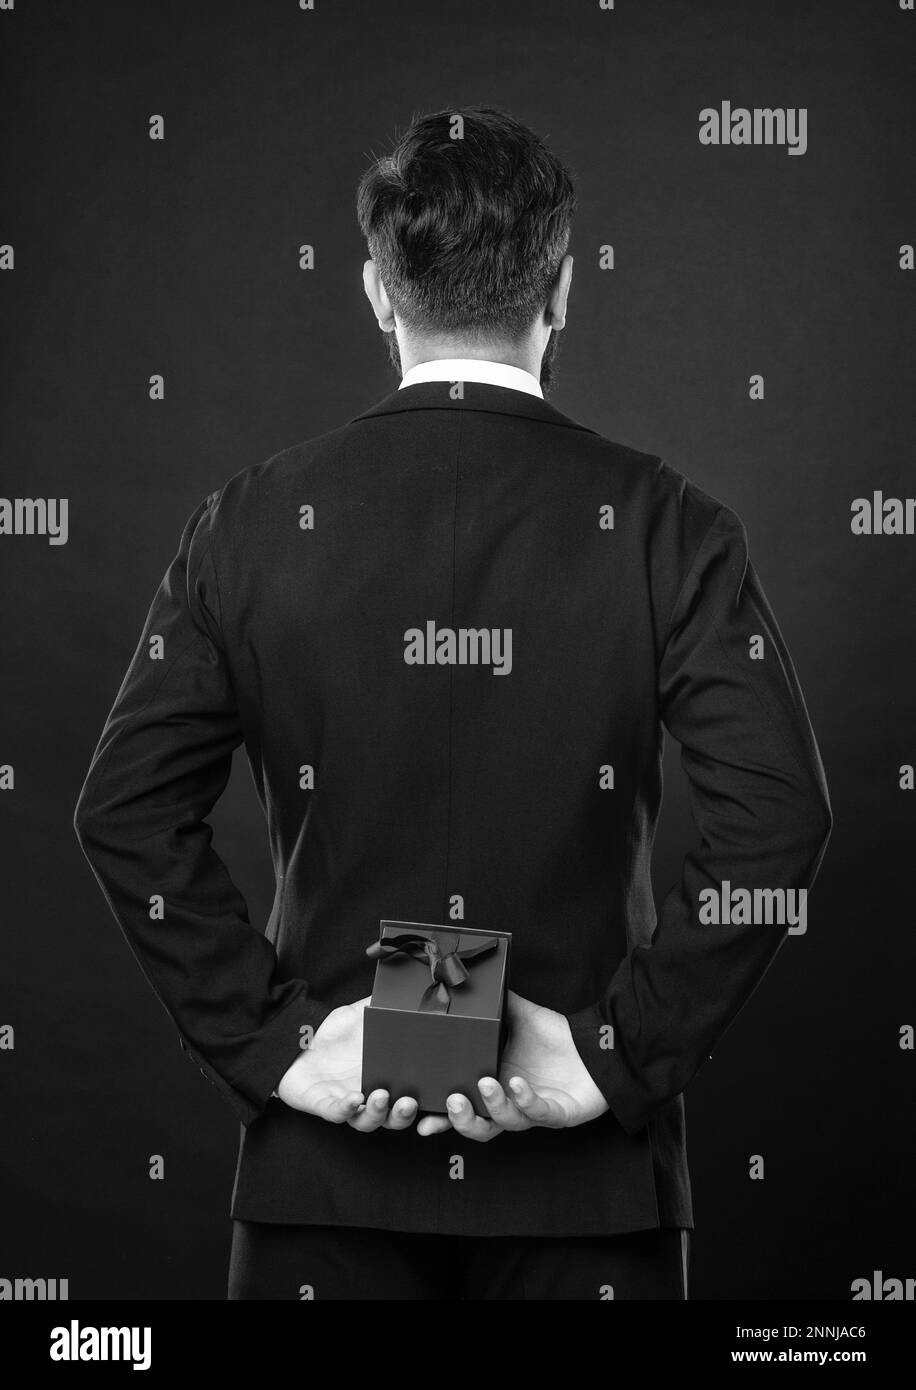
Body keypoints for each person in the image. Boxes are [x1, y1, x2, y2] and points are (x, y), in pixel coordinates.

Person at [73, 105, 832, 1301]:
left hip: (322, 1185)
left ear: (378, 292)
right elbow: (780, 822)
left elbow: (120, 812)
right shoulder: (667, 524)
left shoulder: (249, 525)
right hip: (591, 1197)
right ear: (564, 288)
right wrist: (612, 1056)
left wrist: (276, 1049)